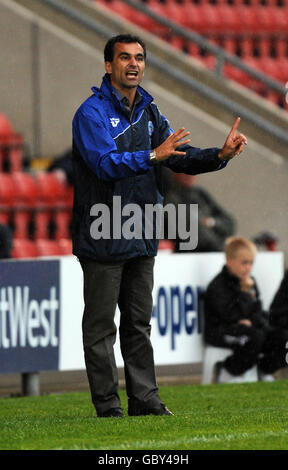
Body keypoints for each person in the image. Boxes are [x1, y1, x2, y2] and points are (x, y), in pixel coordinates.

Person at [72, 34, 248, 417]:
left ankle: (145, 400)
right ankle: (107, 407)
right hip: (103, 233)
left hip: (142, 231)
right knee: (101, 328)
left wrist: (219, 155)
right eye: (124, 58)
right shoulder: (92, 114)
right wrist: (153, 154)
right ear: (108, 66)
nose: (133, 64)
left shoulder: (150, 112)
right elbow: (104, 164)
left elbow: (178, 157)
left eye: (139, 57)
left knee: (139, 323)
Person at [203, 236, 288, 383]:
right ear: (229, 261)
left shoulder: (250, 281)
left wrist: (252, 319)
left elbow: (257, 310)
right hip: (221, 331)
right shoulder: (218, 286)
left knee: (282, 337)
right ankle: (229, 371)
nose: (248, 267)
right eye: (244, 263)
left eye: (251, 263)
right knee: (254, 338)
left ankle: (264, 369)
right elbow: (228, 315)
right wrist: (244, 294)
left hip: (246, 328)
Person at [163, 172, 236, 252]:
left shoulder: (200, 194)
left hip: (213, 251)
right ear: (174, 173)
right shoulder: (169, 197)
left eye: (194, 171)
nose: (190, 175)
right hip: (188, 255)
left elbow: (229, 224)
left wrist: (210, 222)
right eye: (185, 172)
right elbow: (195, 235)